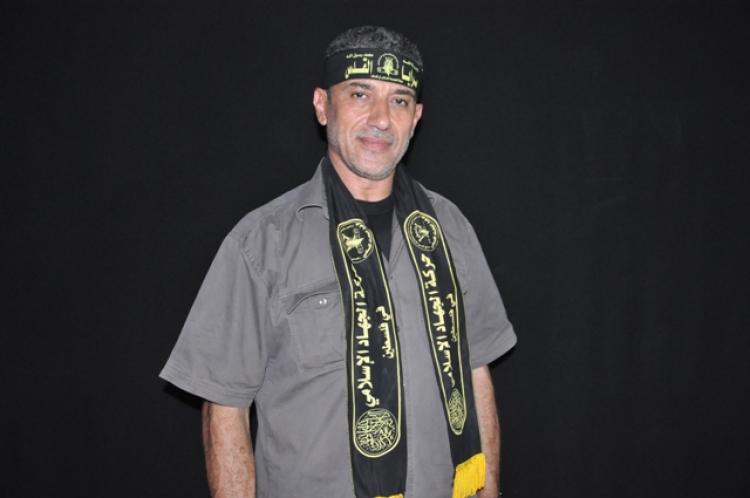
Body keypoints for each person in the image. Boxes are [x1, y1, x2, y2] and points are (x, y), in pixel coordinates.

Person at [160, 25, 517, 498]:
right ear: (322, 105)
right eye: (360, 94)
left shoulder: (450, 228)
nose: (381, 119)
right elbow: (224, 410)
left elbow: (476, 372)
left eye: (399, 101)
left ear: (416, 118)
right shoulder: (262, 242)